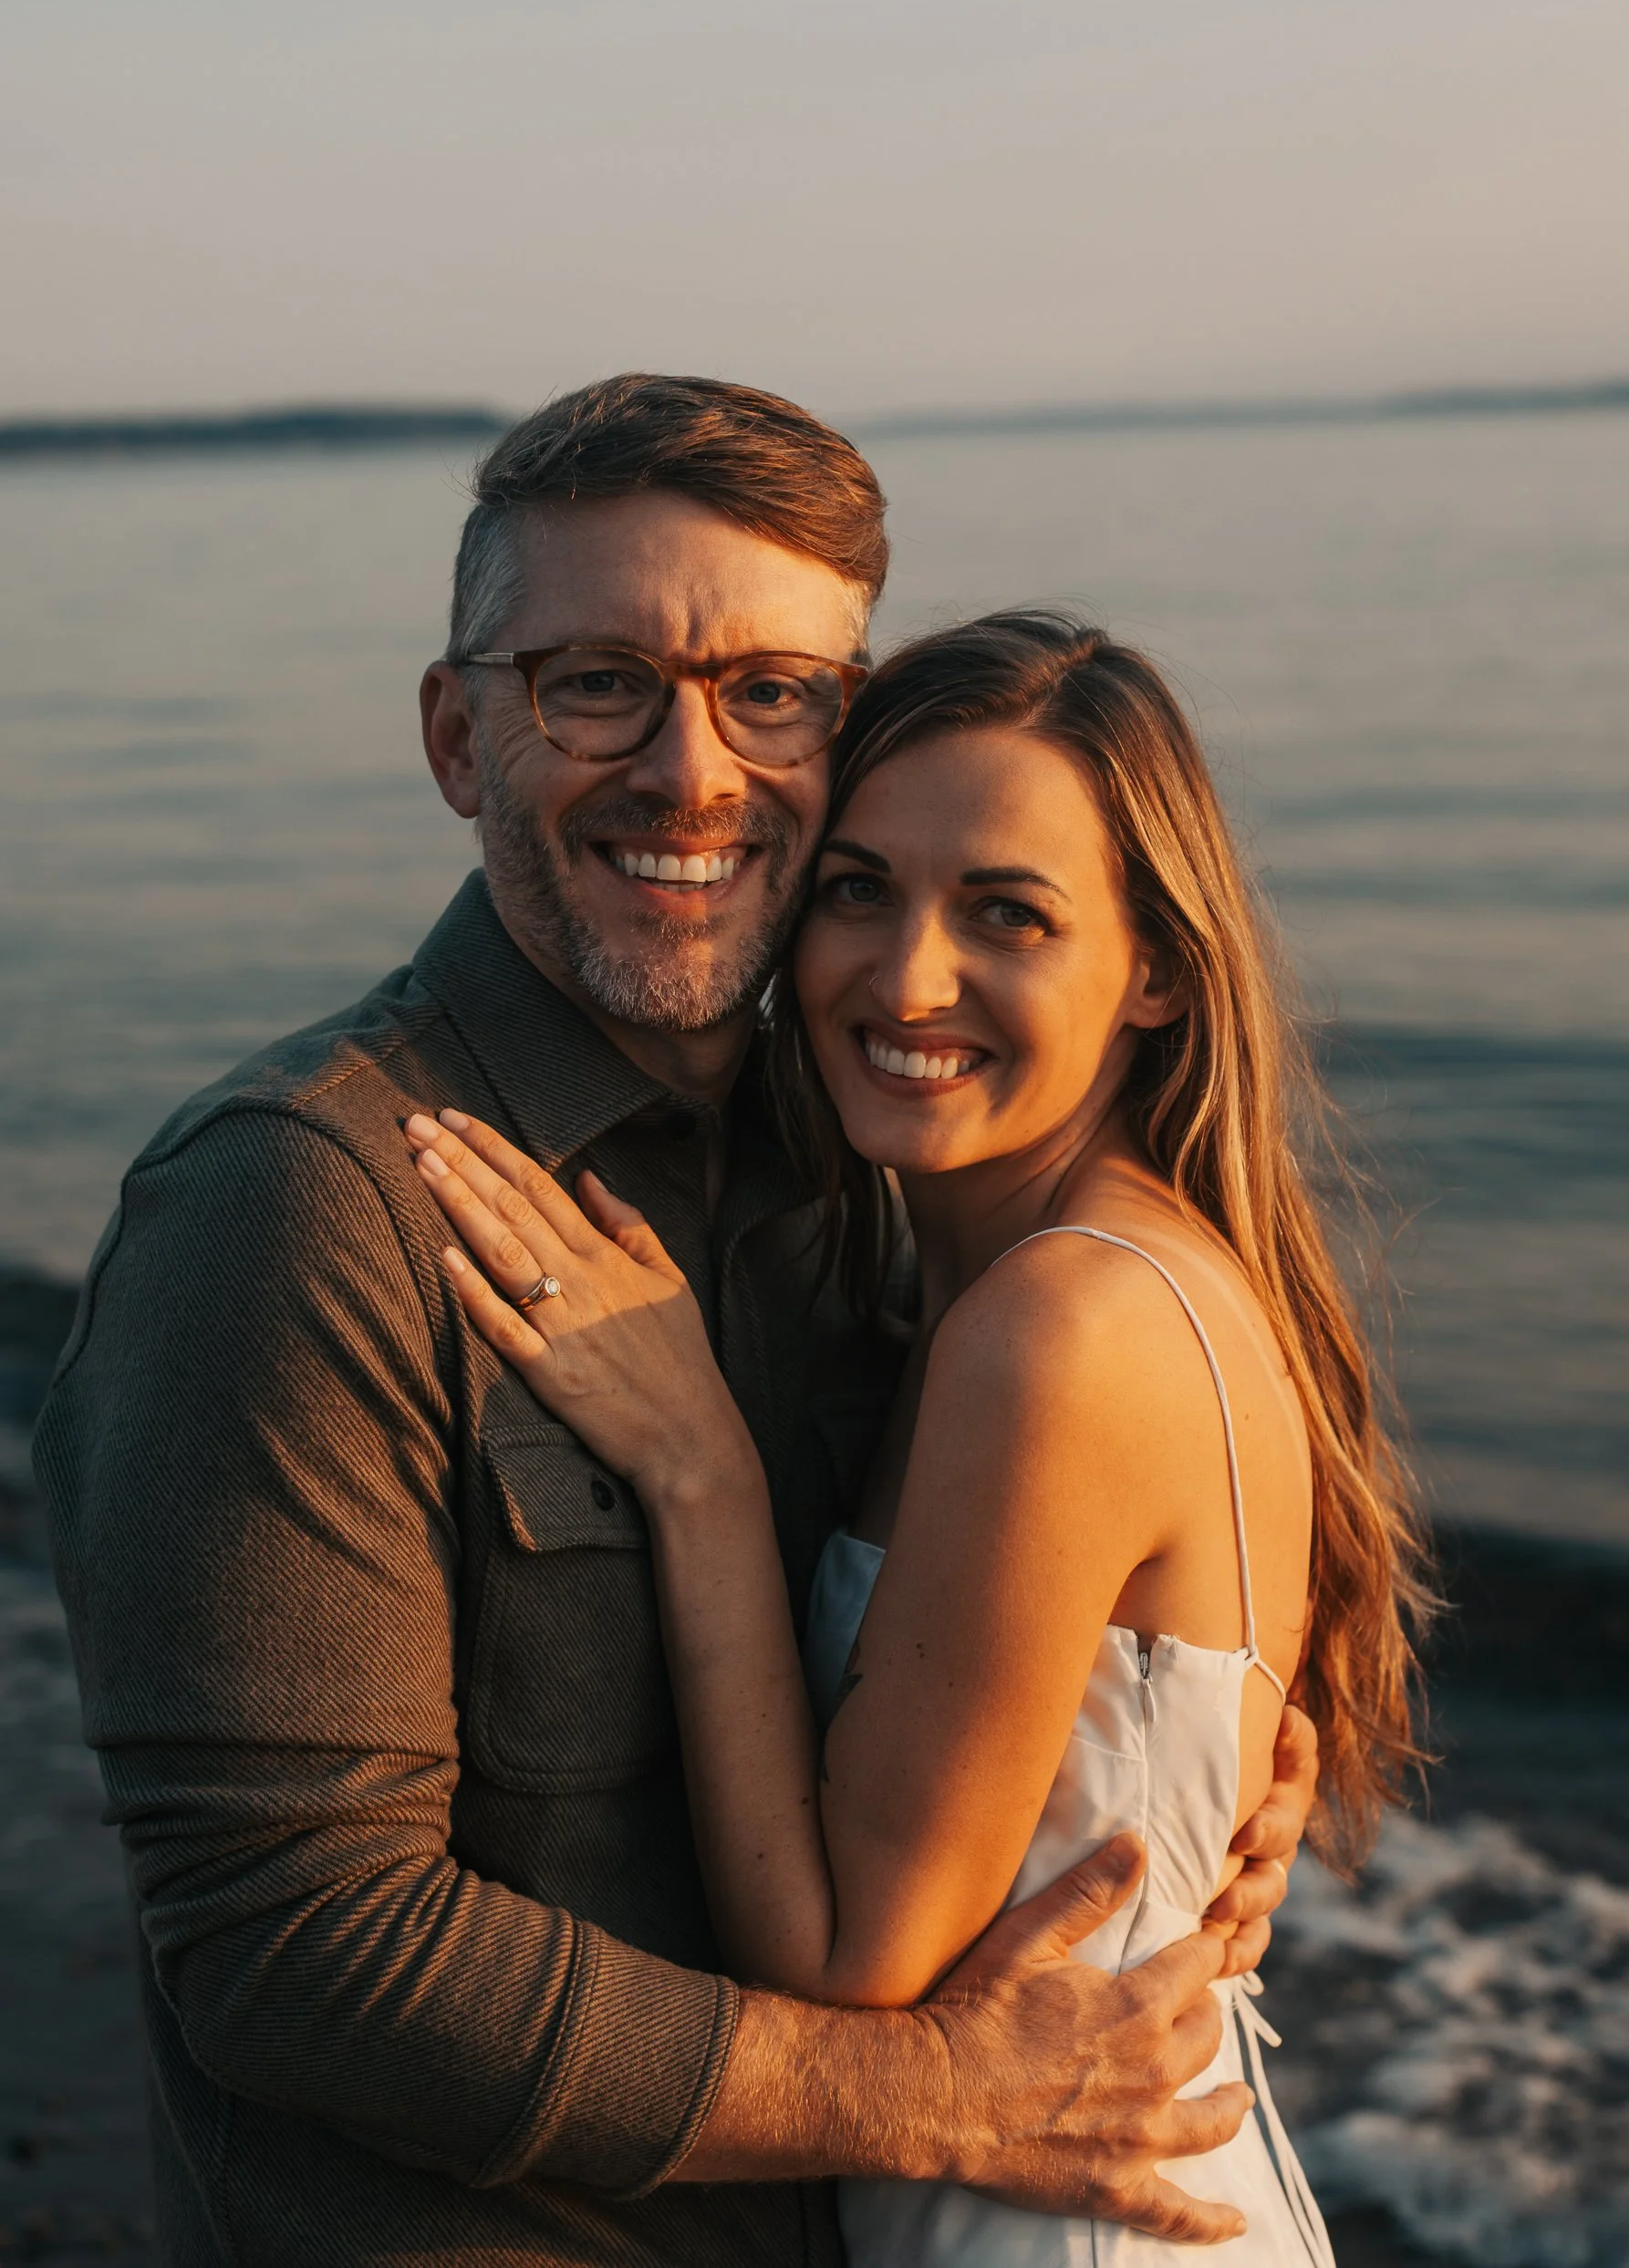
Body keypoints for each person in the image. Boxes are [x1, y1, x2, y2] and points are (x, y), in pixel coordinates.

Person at [35, 378, 1318, 2266]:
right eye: (593, 683)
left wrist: (1200, 1779)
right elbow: (288, 1945)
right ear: (457, 734)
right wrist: (917, 2090)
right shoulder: (304, 1206)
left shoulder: (848, 1172)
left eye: (768, 694)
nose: (692, 772)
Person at [400, 612, 1436, 2263]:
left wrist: (700, 1473)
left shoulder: (1062, 1326)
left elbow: (845, 1966)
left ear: (1156, 968)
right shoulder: (994, 1287)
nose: (906, 977)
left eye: (1007, 914)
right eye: (859, 889)